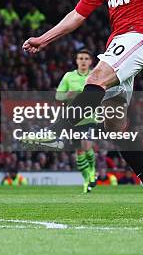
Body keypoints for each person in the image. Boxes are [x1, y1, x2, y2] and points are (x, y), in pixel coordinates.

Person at [22, 0, 143, 220]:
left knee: (95, 79)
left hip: (140, 39)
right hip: (119, 43)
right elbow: (78, 15)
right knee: (115, 126)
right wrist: (44, 38)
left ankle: (56, 132)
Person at [55, 49, 97, 193]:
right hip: (73, 119)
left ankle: (92, 171)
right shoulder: (69, 76)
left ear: (91, 61)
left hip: (90, 117)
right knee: (79, 152)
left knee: (86, 145)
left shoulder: (95, 74)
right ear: (76, 61)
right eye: (80, 58)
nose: (83, 61)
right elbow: (58, 96)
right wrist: (67, 94)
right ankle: (86, 180)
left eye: (86, 58)